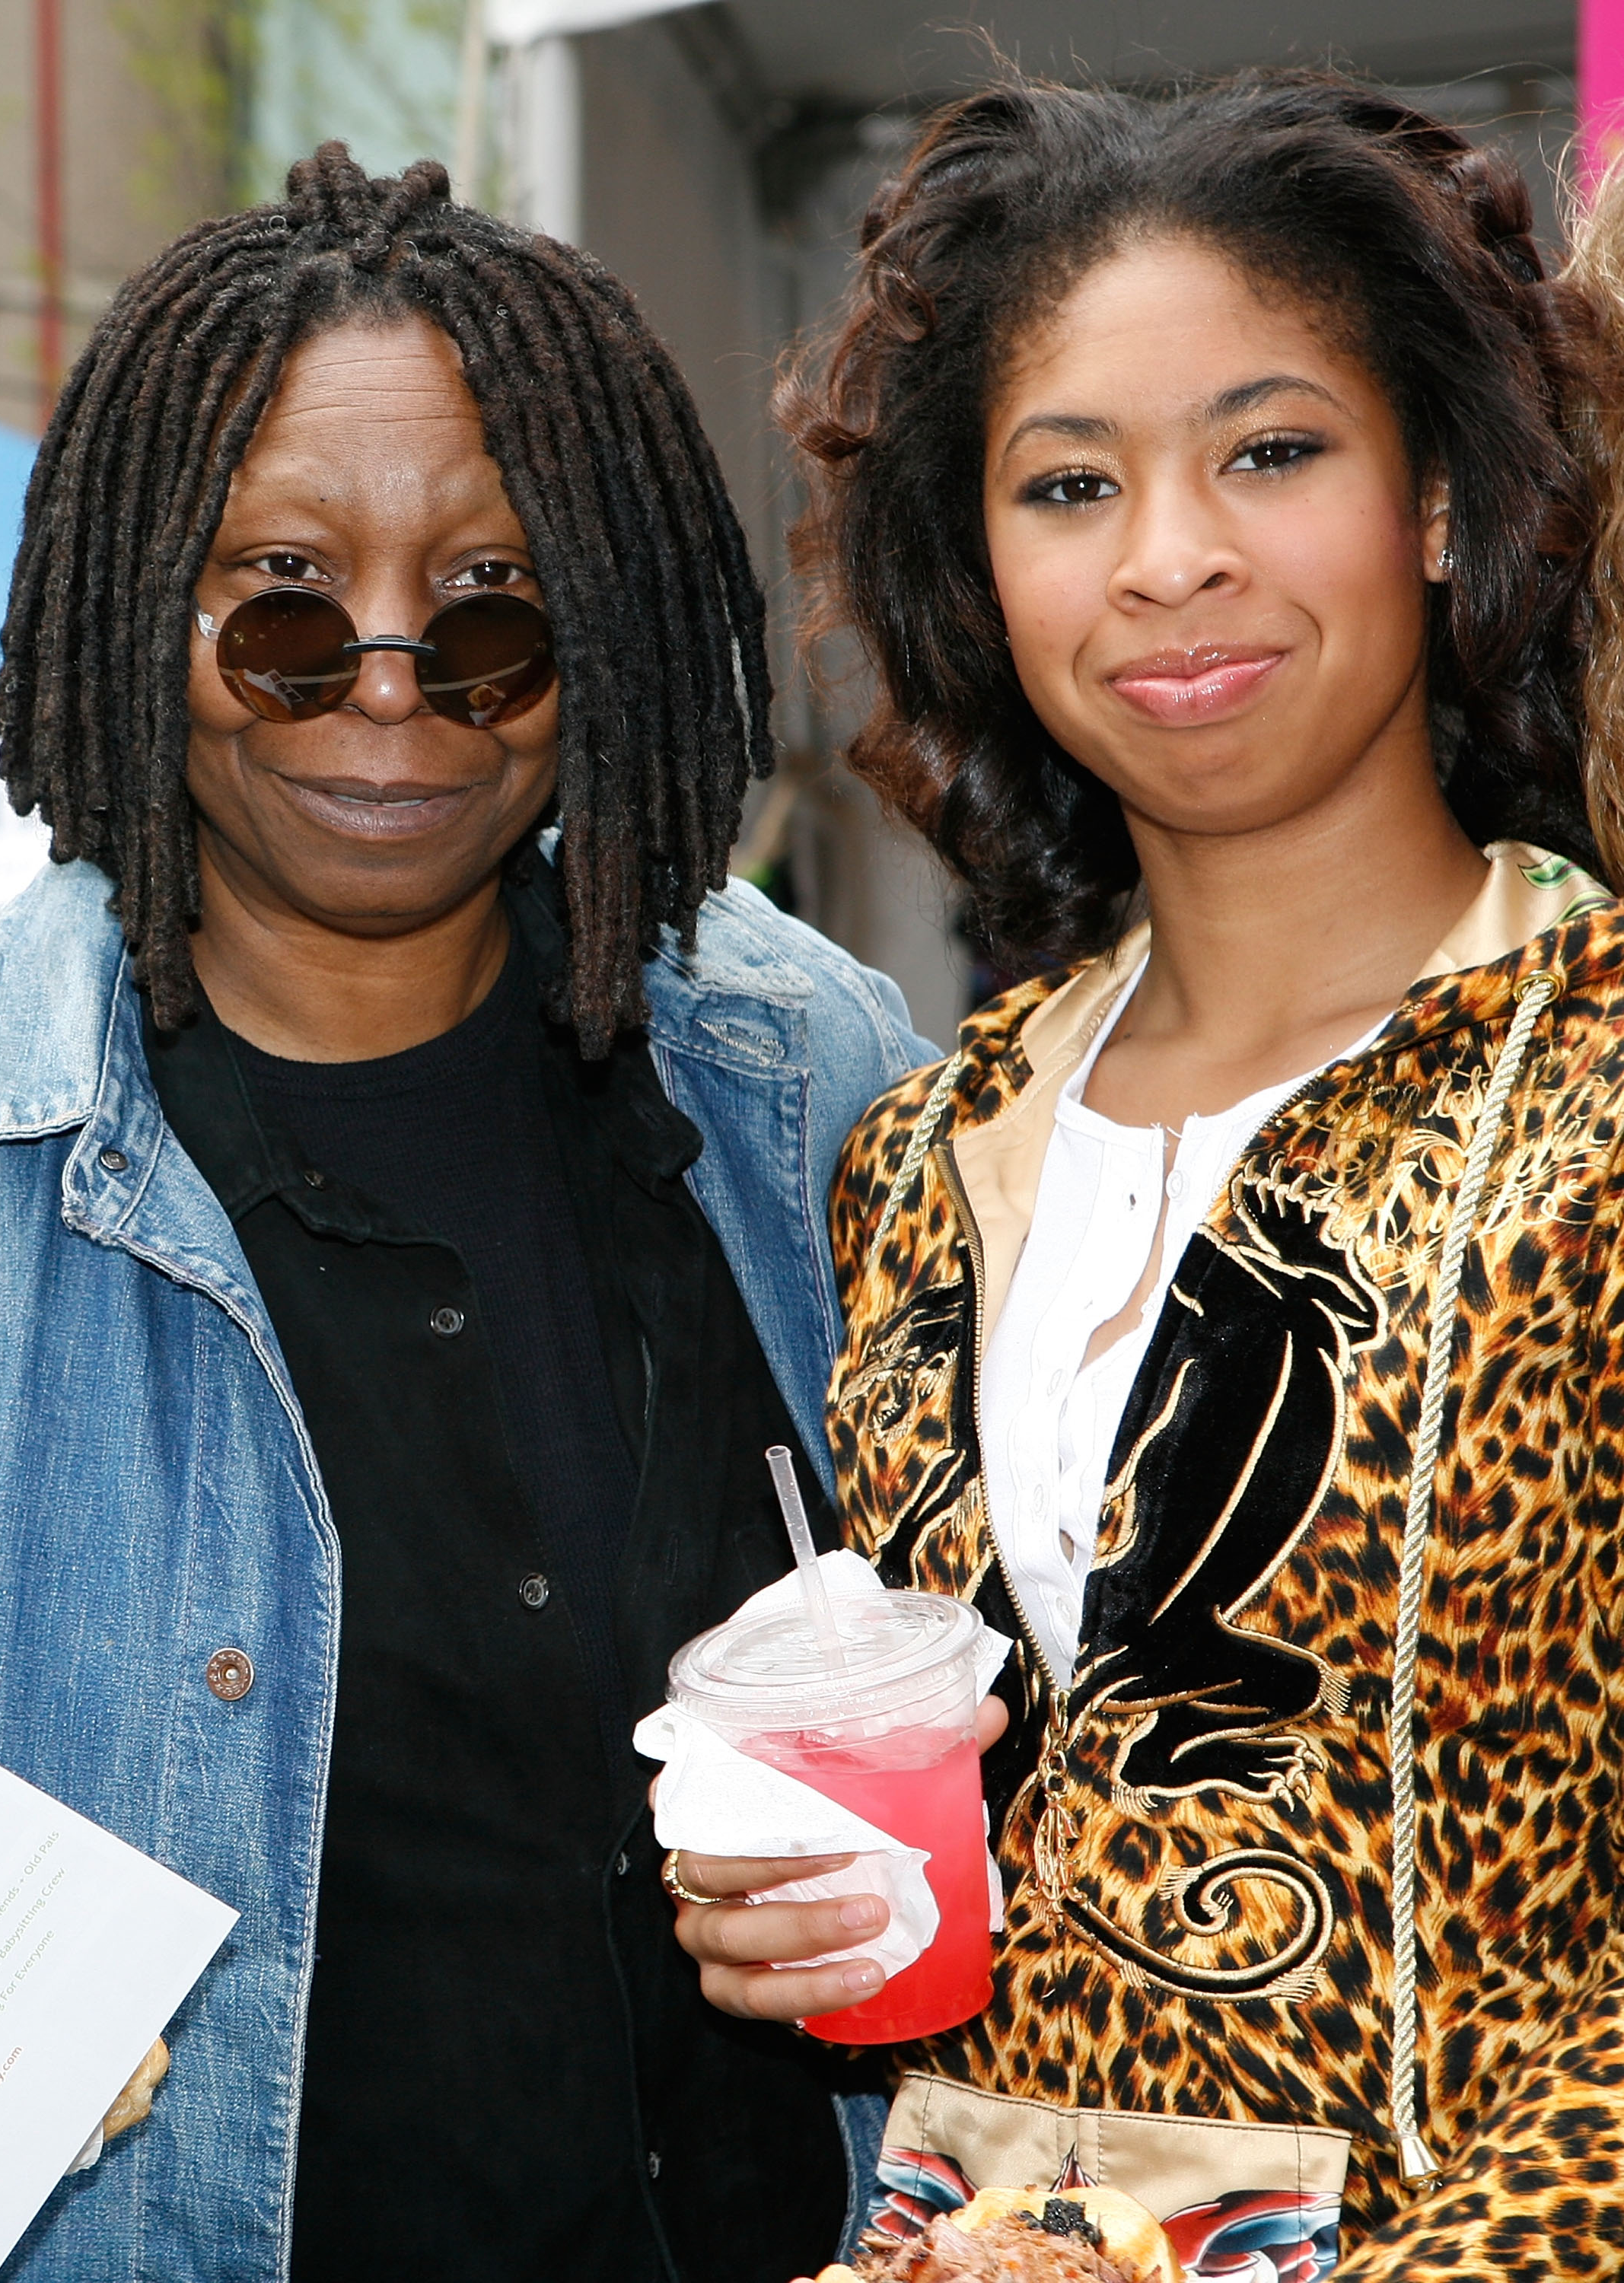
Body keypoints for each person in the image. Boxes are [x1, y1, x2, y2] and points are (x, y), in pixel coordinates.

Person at [667, 73, 1624, 2279]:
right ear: (981, 574)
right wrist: (809, 1900)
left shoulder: (1587, 1078)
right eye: (1067, 485)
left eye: (1268, 452)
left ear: (1440, 505)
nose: (1168, 554)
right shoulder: (924, 1151)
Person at [0, 144, 933, 2283]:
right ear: (147, 608)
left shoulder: (810, 1072)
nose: (389, 691)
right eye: (287, 603)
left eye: (488, 613)